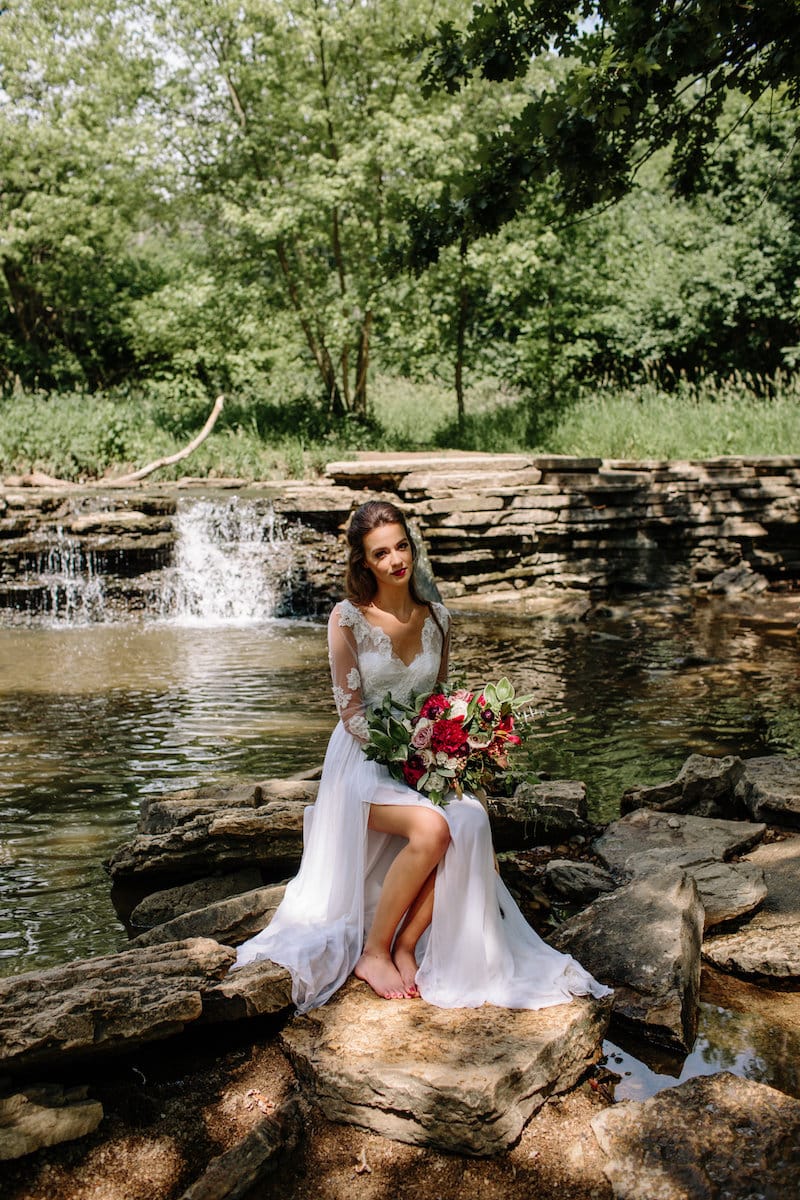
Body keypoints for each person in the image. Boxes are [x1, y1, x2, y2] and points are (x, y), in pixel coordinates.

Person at [234, 499, 611, 1012]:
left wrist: (461, 753)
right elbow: (351, 714)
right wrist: (413, 759)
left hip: (425, 761)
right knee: (433, 829)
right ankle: (372, 952)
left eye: (401, 546)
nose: (395, 560)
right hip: (365, 764)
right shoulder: (347, 619)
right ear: (364, 562)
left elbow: (440, 701)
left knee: (473, 823)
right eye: (380, 553)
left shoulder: (438, 618)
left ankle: (407, 944)